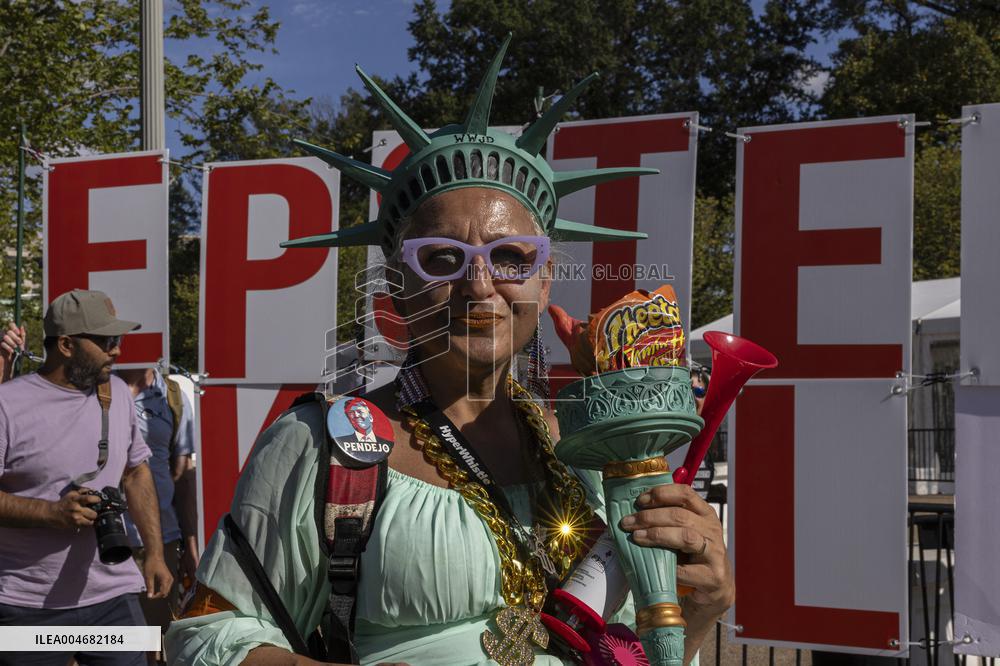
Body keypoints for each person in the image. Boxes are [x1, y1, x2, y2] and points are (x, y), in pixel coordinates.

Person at [166, 36, 732, 666]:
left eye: (512, 257)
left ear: (545, 283)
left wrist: (696, 610)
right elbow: (205, 637)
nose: (480, 285)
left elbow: (628, 651)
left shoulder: (593, 453)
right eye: (442, 259)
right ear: (398, 287)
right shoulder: (318, 445)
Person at [0, 289, 174, 666]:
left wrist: (155, 554)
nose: (117, 351)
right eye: (107, 341)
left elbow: (136, 472)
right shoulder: (7, 404)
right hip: (27, 605)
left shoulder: (117, 394)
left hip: (113, 594)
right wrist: (51, 514)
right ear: (65, 344)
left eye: (119, 340)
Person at [117, 366, 200, 660]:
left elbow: (184, 476)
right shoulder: (91, 386)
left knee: (153, 641)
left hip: (160, 541)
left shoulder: (173, 395)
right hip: (97, 541)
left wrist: (191, 548)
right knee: (99, 641)